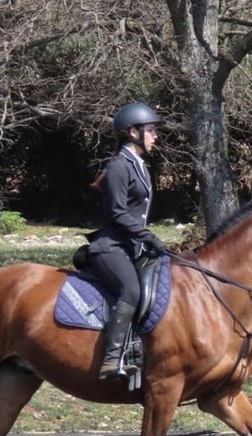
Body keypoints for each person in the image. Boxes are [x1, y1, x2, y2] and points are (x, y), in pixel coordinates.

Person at [86, 102, 168, 381]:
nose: (156, 136)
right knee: (131, 291)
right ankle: (112, 359)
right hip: (110, 247)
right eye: (151, 130)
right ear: (133, 132)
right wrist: (148, 236)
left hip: (133, 247)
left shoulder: (140, 165)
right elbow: (117, 213)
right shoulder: (120, 166)